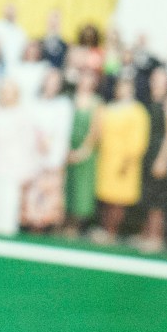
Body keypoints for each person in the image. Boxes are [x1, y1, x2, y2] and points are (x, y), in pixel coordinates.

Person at [91, 70, 148, 242]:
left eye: (126, 88)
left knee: (119, 200)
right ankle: (104, 228)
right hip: (107, 159)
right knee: (107, 197)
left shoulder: (137, 111)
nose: (122, 90)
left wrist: (127, 161)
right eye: (120, 87)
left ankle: (111, 231)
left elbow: (138, 139)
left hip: (124, 161)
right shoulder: (109, 108)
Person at [0, 74, 41, 238]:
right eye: (4, 91)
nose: (6, 94)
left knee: (9, 206)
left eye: (9, 91)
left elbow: (29, 144)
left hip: (14, 168)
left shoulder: (23, 115)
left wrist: (27, 171)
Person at [23, 63, 72, 233]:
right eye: (49, 80)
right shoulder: (33, 103)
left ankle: (45, 228)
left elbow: (63, 133)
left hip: (52, 158)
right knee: (32, 198)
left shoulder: (64, 105)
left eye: (55, 81)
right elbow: (28, 127)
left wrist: (53, 153)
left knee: (49, 201)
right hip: (33, 157)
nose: (52, 84)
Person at [135, 65, 167, 252]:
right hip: (147, 152)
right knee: (147, 195)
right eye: (154, 78)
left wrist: (163, 160)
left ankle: (156, 237)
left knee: (158, 198)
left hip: (161, 153)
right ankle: (145, 233)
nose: (157, 82)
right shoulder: (147, 101)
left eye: (161, 79)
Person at [62, 64, 104, 236]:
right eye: (83, 77)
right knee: (66, 186)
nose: (86, 81)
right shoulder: (69, 99)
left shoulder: (97, 102)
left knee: (82, 189)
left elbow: (96, 131)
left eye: (90, 78)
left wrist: (82, 151)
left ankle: (75, 226)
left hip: (85, 152)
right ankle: (63, 222)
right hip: (67, 150)